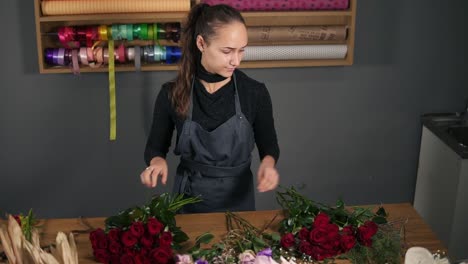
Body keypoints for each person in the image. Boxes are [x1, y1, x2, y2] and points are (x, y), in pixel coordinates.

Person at [140, 3, 280, 213]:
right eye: (227, 51)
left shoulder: (254, 92)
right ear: (201, 43)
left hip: (239, 203)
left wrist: (268, 166)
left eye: (241, 51)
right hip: (187, 201)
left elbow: (269, 147)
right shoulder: (172, 93)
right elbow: (155, 148)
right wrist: (157, 162)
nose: (236, 61)